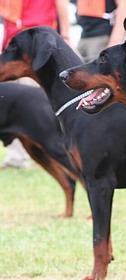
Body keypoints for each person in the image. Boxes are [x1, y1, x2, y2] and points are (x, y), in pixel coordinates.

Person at [0, 0, 70, 169]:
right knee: (13, 107)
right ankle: (17, 157)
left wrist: (66, 35)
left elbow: (61, 3)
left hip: (38, 47)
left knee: (36, 106)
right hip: (12, 45)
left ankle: (59, 151)